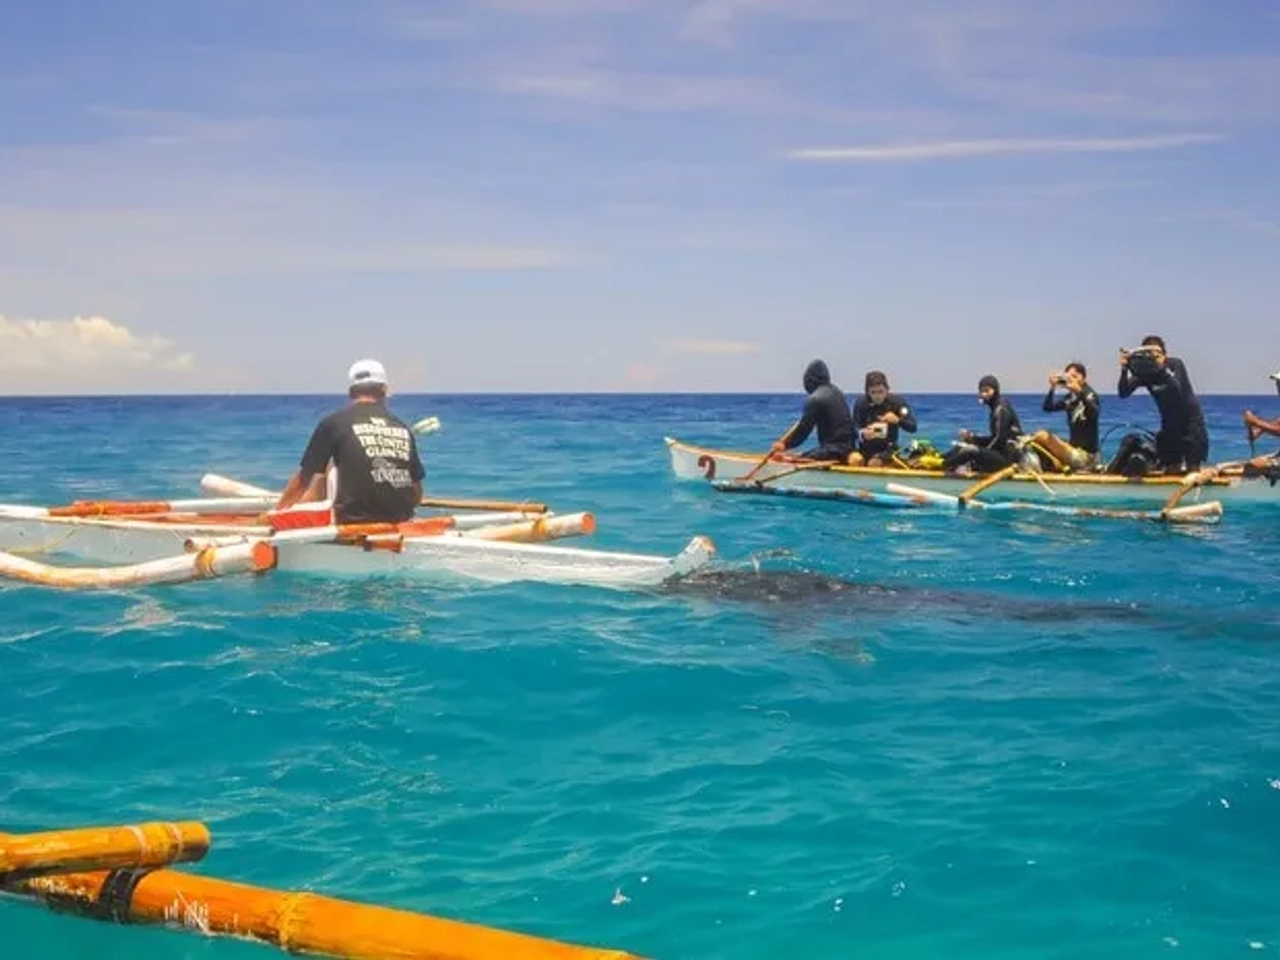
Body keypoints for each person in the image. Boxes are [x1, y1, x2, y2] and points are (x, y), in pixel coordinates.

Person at [274, 358, 425, 523]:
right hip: (402, 523)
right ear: (384, 390)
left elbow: (302, 481)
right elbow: (416, 495)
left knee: (326, 468)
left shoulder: (333, 423)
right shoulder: (402, 428)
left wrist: (275, 515)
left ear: (351, 392)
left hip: (354, 524)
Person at [1118, 335, 1209, 470]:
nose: (1154, 359)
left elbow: (1178, 391)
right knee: (1171, 469)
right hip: (1169, 425)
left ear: (1165, 355)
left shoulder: (1176, 364)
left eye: (1158, 355)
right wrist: (1125, 369)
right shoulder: (1145, 373)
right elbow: (1123, 392)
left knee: (1193, 470)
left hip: (1191, 423)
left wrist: (1161, 369)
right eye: (1150, 356)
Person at [769, 359, 855, 463]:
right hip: (849, 449)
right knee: (803, 454)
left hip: (833, 451)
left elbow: (802, 432)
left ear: (809, 381)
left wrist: (784, 445)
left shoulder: (815, 399)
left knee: (793, 459)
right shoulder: (837, 392)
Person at [941, 375, 1024, 474]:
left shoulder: (1001, 410)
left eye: (986, 391)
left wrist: (980, 452)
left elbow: (999, 441)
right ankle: (939, 459)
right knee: (962, 447)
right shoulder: (996, 407)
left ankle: (940, 467)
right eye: (981, 391)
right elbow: (995, 438)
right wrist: (973, 438)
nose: (983, 394)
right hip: (1001, 454)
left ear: (995, 391)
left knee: (970, 450)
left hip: (1008, 460)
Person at [1031, 362, 1101, 471]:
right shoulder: (1069, 398)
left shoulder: (1089, 394)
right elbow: (1047, 407)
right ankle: (1055, 467)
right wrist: (1052, 388)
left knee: (1042, 435)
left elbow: (1094, 413)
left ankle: (1060, 467)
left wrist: (1079, 392)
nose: (1071, 380)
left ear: (1084, 378)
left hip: (1087, 458)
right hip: (1074, 450)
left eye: (1075, 377)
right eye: (1069, 377)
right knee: (1037, 439)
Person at [850, 370, 917, 466]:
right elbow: (853, 428)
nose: (877, 396)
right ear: (867, 392)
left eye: (881, 392)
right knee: (854, 460)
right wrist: (862, 433)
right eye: (873, 392)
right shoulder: (861, 403)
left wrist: (897, 420)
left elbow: (913, 427)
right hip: (865, 449)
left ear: (887, 389)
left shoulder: (897, 403)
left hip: (888, 449)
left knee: (874, 463)